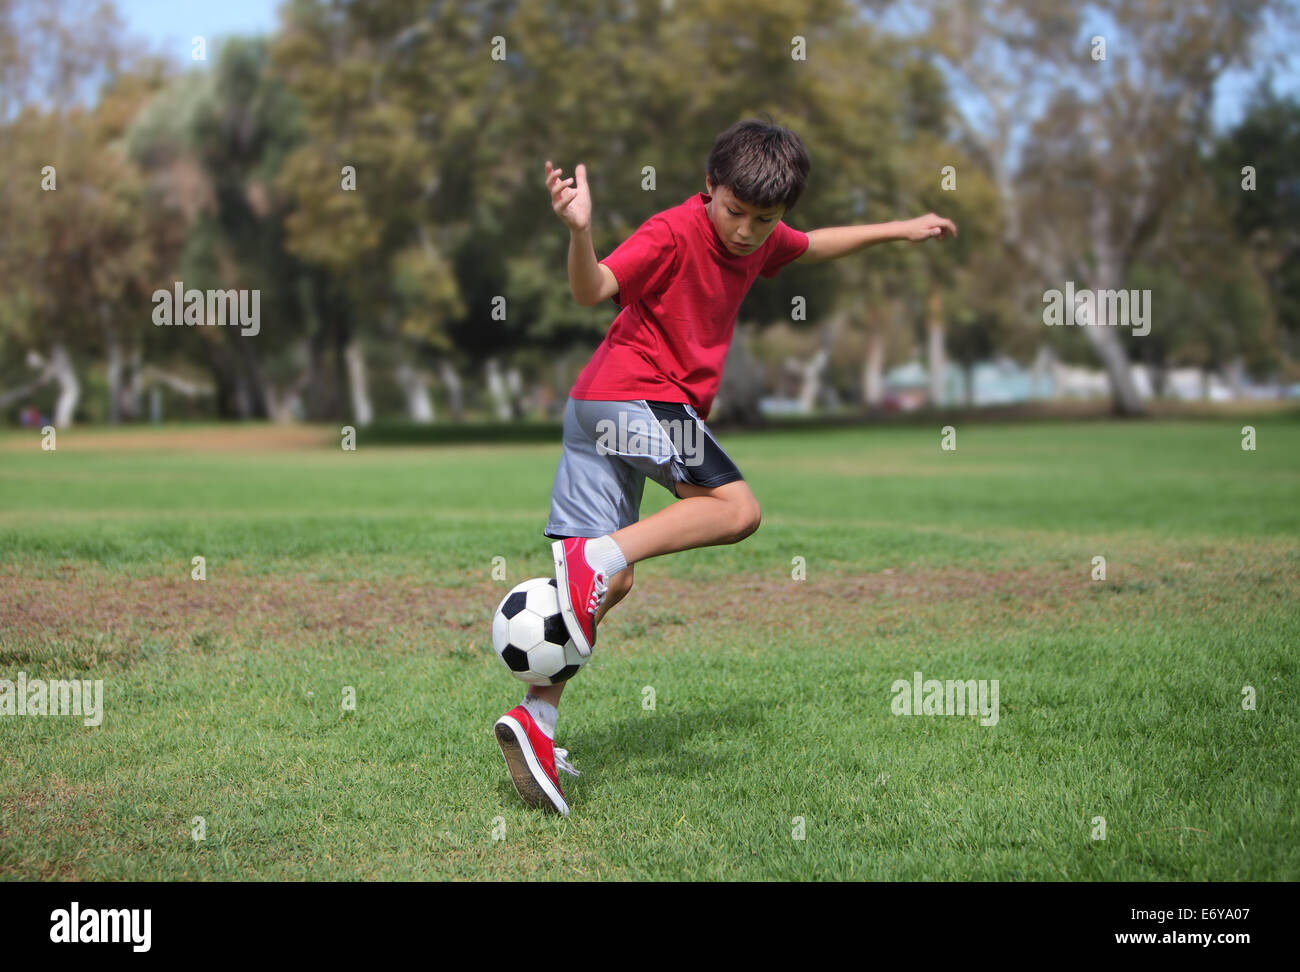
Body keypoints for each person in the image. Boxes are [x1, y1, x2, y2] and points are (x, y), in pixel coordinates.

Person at [494, 118, 956, 816]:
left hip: (594, 407)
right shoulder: (673, 231)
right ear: (709, 187)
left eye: (763, 220)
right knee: (736, 510)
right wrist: (578, 230)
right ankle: (595, 558)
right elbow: (592, 291)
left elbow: (815, 246)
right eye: (734, 211)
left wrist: (902, 227)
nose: (745, 231)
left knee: (601, 592)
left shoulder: (764, 239)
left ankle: (536, 721)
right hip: (632, 395)